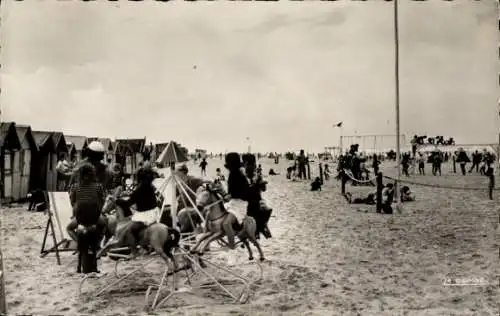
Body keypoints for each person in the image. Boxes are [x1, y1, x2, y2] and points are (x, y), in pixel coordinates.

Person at [67, 164, 106, 275]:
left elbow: (72, 202)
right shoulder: (98, 186)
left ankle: (78, 242)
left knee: (69, 228)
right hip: (94, 218)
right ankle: (98, 243)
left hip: (80, 219)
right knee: (103, 226)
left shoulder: (75, 186)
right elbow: (101, 202)